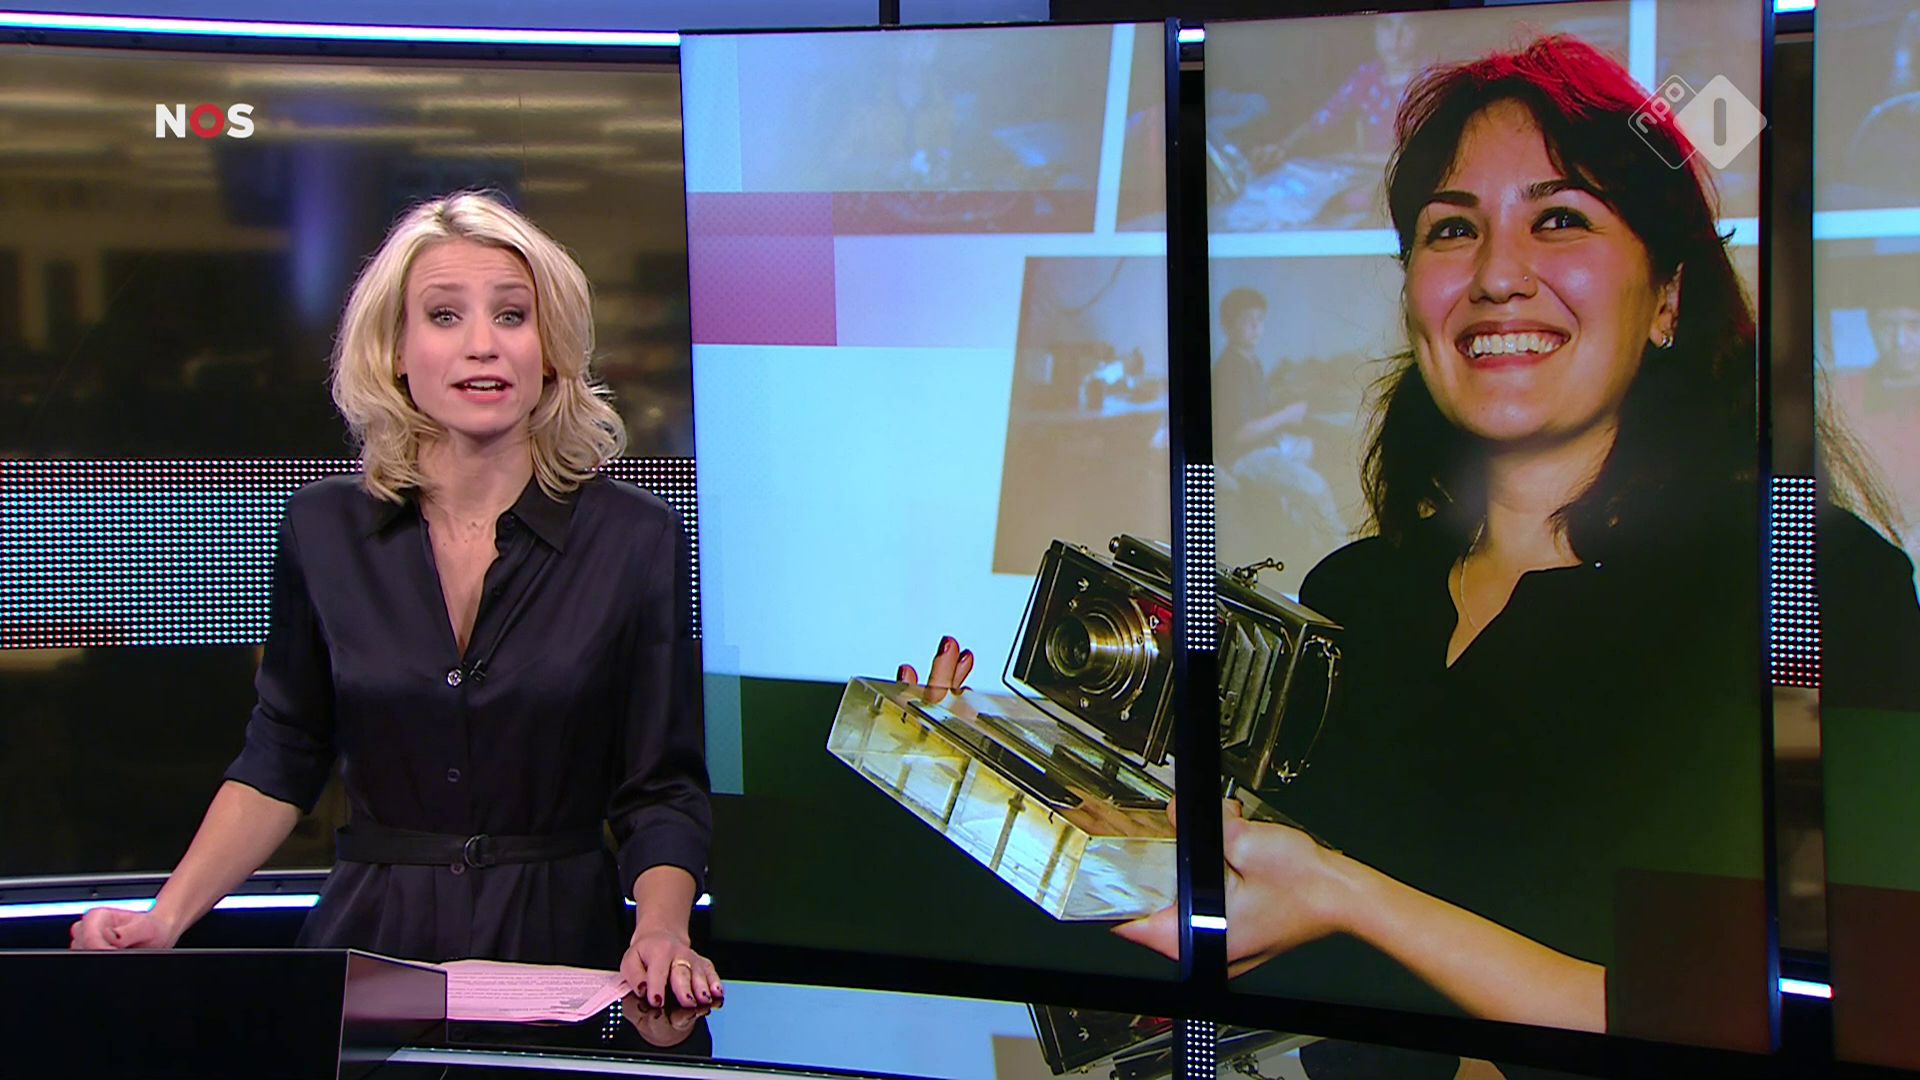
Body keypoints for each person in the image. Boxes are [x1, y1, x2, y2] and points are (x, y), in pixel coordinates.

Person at [911, 35, 1772, 1045]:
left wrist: (1348, 897)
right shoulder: (1355, 602)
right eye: (1453, 230)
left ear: (1667, 297)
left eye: (1560, 219)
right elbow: (1264, 964)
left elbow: (1765, 1026)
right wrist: (1008, 789)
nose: (1498, 275)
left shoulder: (1794, 591)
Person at [70, 191, 721, 1011]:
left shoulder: (636, 538)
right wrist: (165, 918)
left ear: (551, 350)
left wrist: (662, 930)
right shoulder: (323, 529)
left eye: (513, 315)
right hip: (371, 944)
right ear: (396, 352)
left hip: (562, 944)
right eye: (445, 316)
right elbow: (282, 756)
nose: (482, 343)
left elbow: (660, 787)